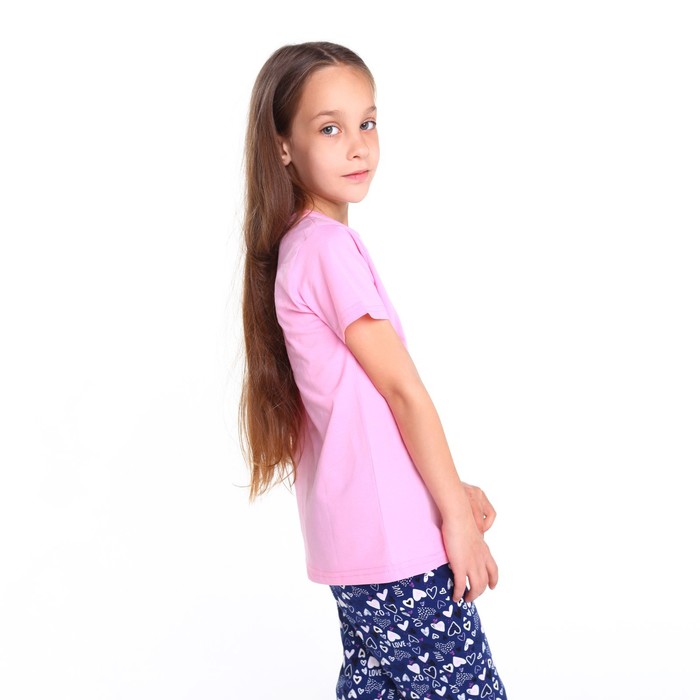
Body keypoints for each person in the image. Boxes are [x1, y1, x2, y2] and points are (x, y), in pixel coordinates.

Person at [239, 41, 507, 700]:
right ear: (283, 146)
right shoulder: (327, 249)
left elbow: (364, 412)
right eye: (329, 128)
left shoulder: (301, 247)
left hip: (361, 545)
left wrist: (447, 491)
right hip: (397, 550)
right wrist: (455, 520)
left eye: (367, 122)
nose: (358, 145)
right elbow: (401, 392)